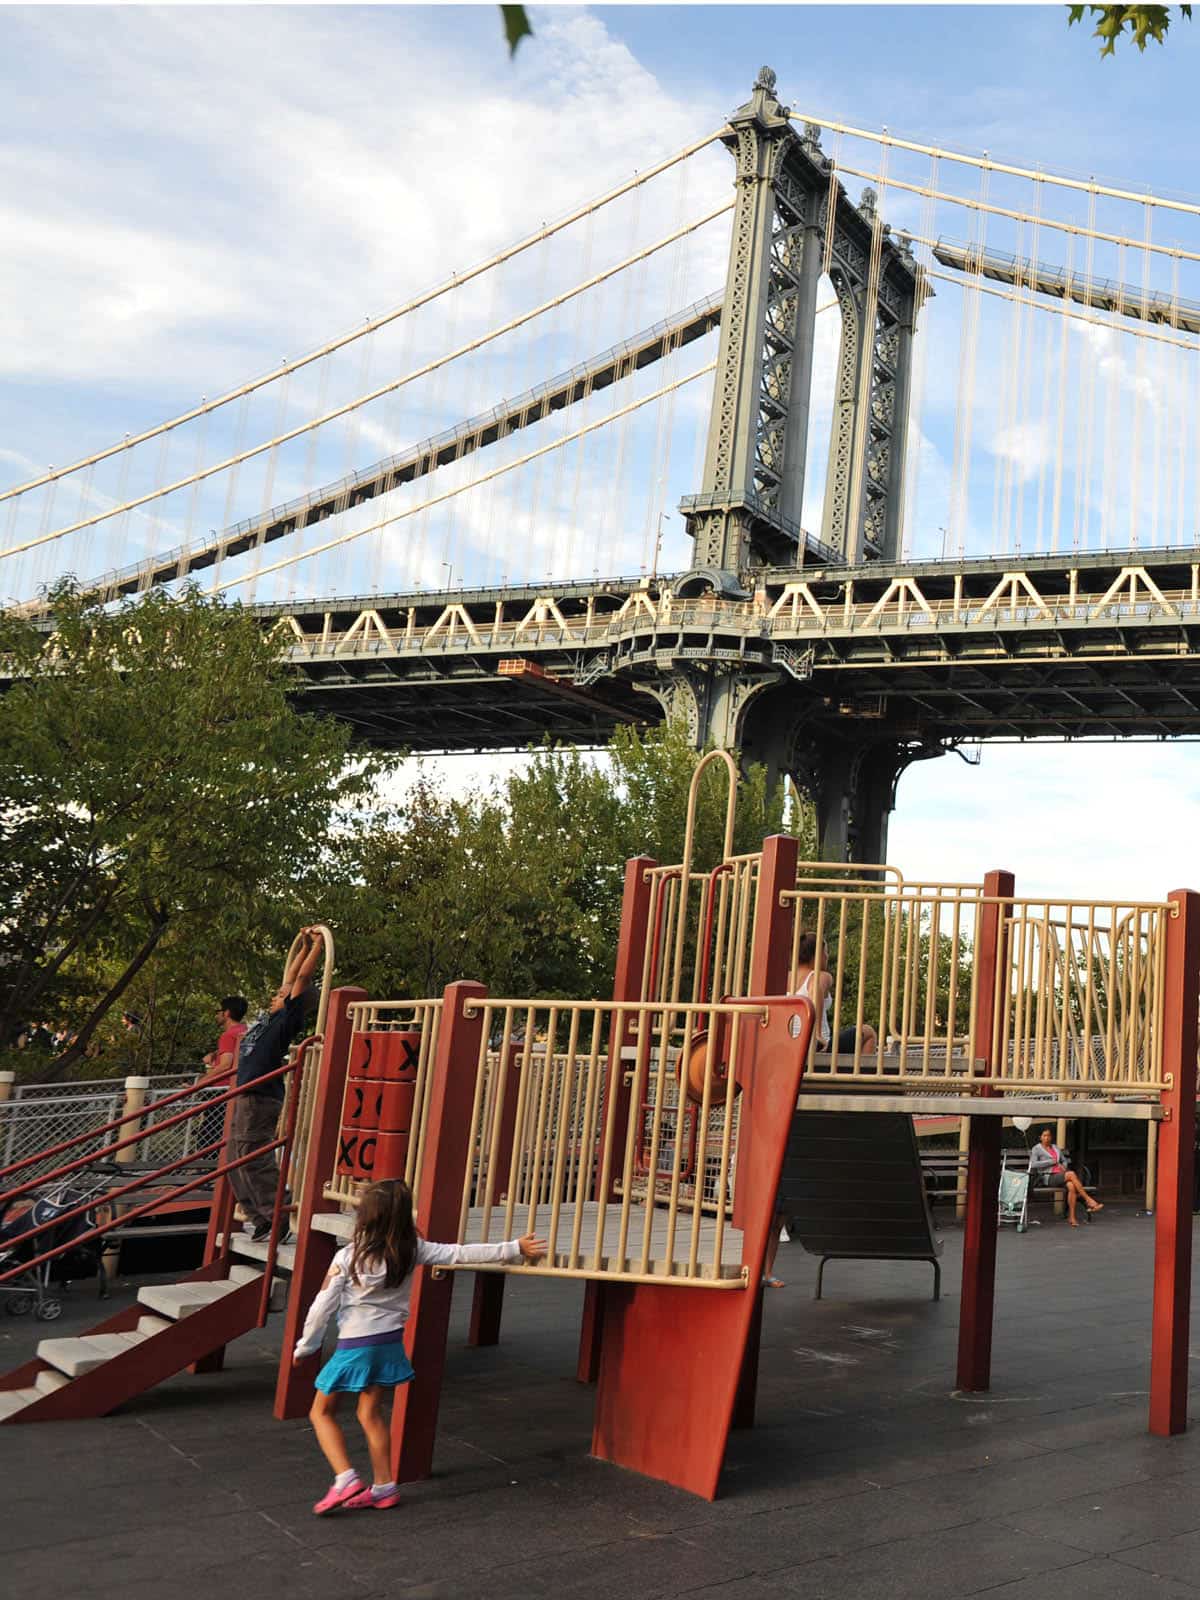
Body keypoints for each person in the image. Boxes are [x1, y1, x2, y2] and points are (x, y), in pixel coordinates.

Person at [293, 1177, 546, 1515]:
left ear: (365, 1217)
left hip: (355, 1344)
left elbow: (321, 1306)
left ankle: (346, 1478)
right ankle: (384, 1487)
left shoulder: (348, 1256)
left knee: (320, 1412)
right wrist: (514, 1247)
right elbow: (459, 1254)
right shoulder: (411, 1248)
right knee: (369, 1413)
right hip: (388, 1343)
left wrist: (305, 1347)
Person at [760, 934, 880, 1288]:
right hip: (817, 1052)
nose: (830, 957)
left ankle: (765, 1271)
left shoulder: (783, 977)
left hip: (788, 1059)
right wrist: (817, 1040)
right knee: (867, 1032)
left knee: (776, 1210)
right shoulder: (820, 977)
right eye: (827, 950)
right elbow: (811, 1007)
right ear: (818, 953)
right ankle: (861, 1089)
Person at [228, 930, 323, 1243]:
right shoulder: (269, 1018)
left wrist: (318, 946)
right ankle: (259, 1216)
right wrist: (304, 943)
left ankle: (277, 1212)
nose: (276, 994)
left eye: (282, 994)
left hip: (260, 1095)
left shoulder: (287, 1019)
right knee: (233, 1159)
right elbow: (292, 974)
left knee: (253, 1155)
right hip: (246, 1094)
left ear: (290, 1001)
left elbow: (302, 978)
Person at [1029, 1126, 1103, 1227]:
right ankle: (1088, 1200)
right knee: (1071, 1174)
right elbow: (1033, 1164)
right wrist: (1051, 1162)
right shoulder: (1036, 1149)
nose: (1047, 1138)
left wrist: (1064, 1166)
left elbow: (1064, 1160)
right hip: (1048, 1177)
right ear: (1040, 1137)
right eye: (1044, 1135)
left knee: (1071, 1186)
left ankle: (1072, 1217)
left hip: (1061, 1175)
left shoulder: (1055, 1147)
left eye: (1049, 1135)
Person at [201, 996, 248, 1081]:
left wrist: (198, 1085)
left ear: (226, 1013)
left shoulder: (228, 1035)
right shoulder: (245, 1030)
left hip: (222, 1089)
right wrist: (214, 1054)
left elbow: (225, 1065)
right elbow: (234, 1051)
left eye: (217, 1012)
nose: (216, 1016)